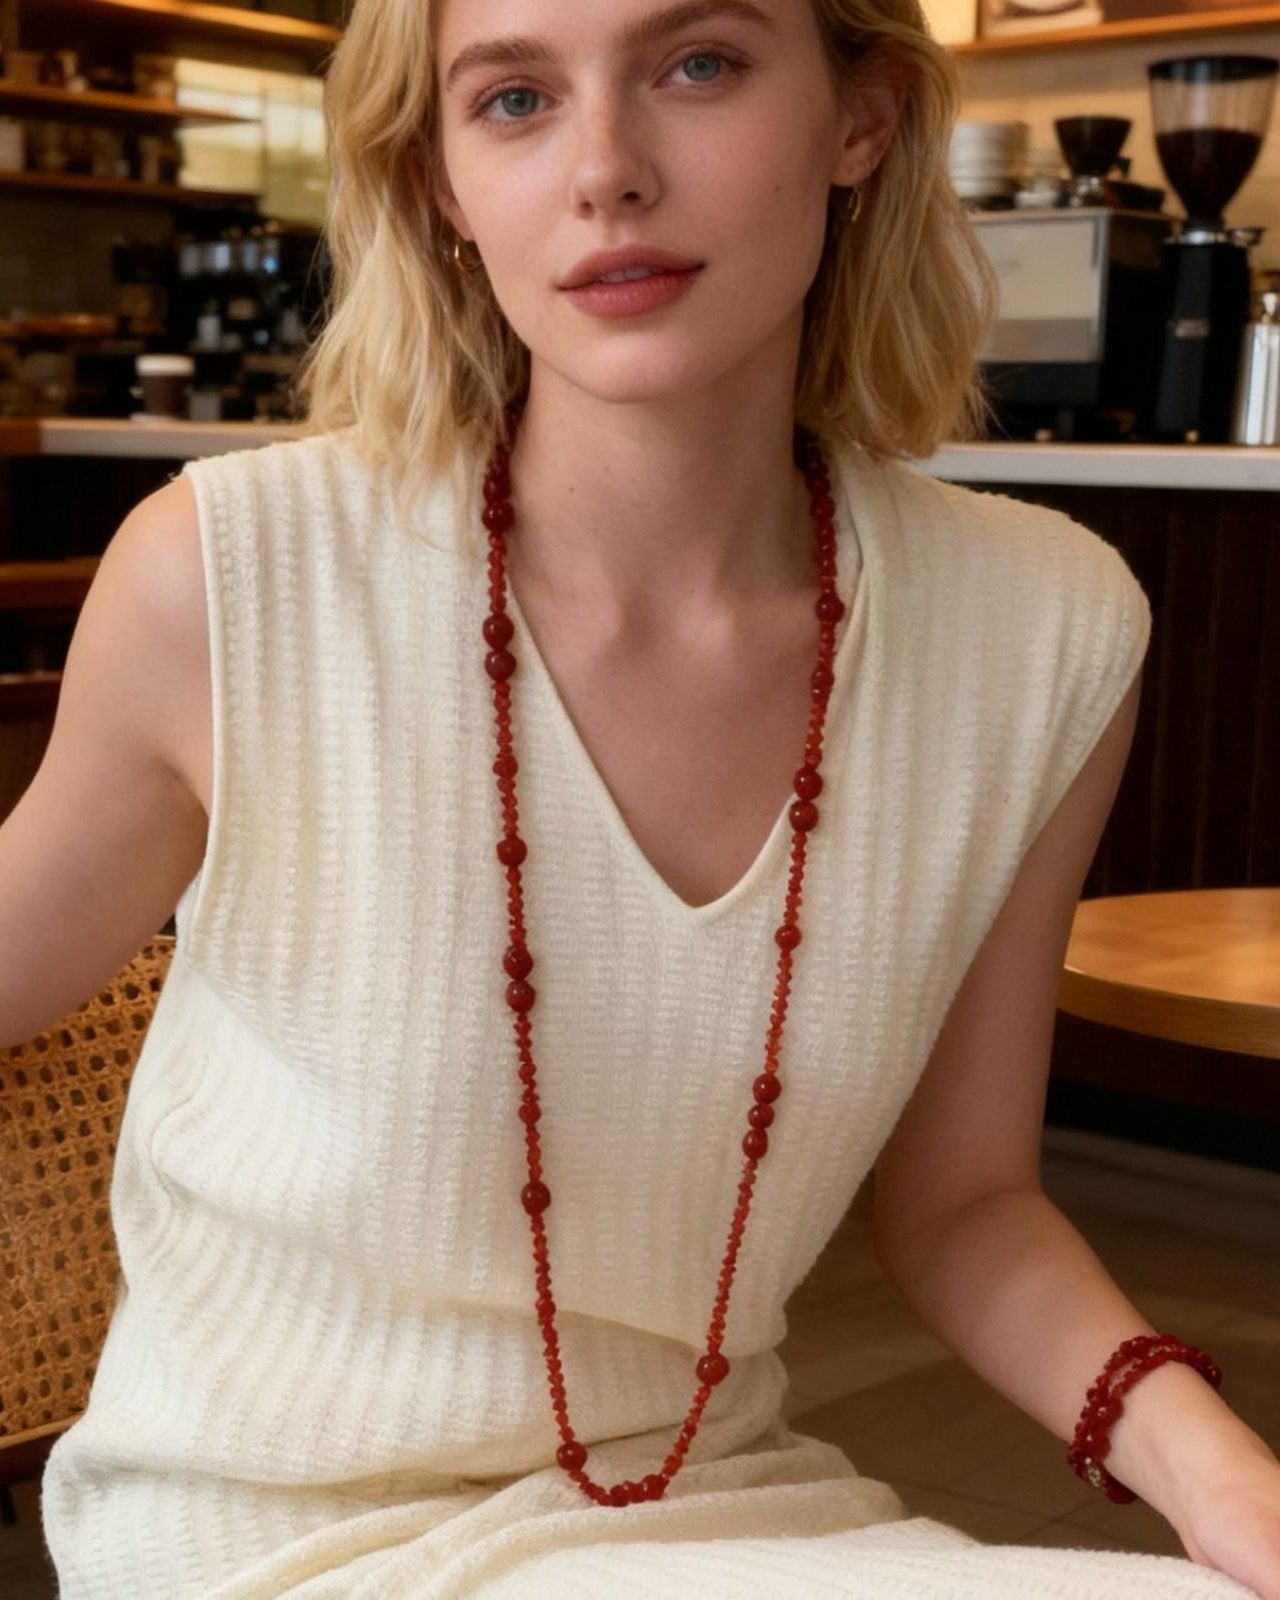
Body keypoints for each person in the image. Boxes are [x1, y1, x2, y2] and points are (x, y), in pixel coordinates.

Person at [1, 0, 1276, 1594]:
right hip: (262, 1536)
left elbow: (967, 1205)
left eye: (698, 65)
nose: (604, 168)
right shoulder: (239, 579)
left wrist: (1228, 1480)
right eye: (514, 99)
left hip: (718, 1509)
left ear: (862, 116)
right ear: (441, 179)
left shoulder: (1044, 634)